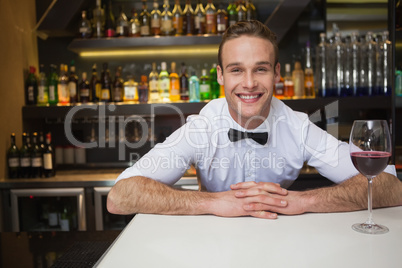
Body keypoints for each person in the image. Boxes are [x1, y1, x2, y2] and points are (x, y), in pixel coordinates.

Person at [107, 20, 402, 219]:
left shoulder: (297, 126)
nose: (249, 84)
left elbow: (390, 186)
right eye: (236, 70)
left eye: (260, 69)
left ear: (276, 73)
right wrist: (214, 202)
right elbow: (119, 196)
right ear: (220, 75)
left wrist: (299, 201)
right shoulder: (202, 127)